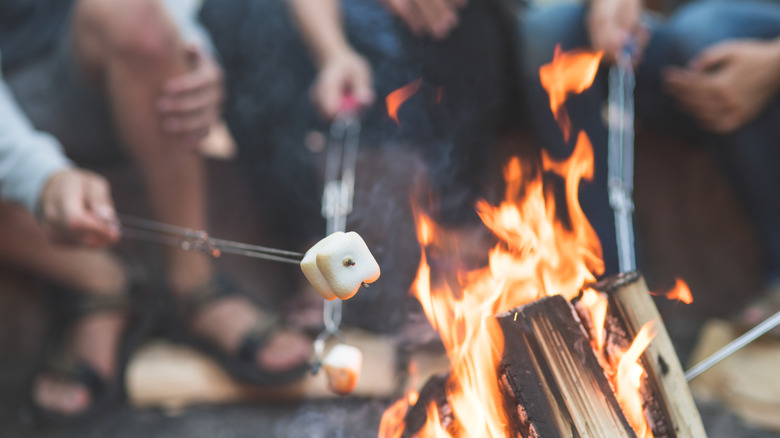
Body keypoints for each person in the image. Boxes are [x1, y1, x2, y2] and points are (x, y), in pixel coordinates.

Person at [1, 0, 310, 419]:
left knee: (133, 16)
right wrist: (40, 176)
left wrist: (192, 53)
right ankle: (100, 282)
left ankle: (195, 287)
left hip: (75, 61)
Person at [521, 0, 780, 298]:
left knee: (704, 32)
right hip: (680, 51)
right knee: (550, 30)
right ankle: (614, 301)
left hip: (743, 47)